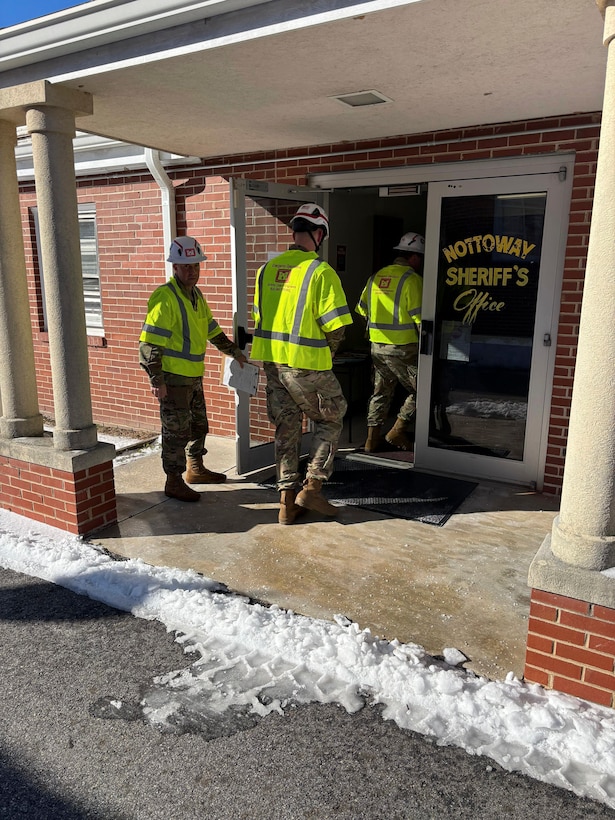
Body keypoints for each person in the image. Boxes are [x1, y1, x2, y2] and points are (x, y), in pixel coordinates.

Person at [251, 203, 353, 525]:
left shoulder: (266, 270)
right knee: (332, 418)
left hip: (274, 367)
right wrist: (327, 356)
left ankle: (285, 503)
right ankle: (312, 488)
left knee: (287, 428)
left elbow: (261, 319)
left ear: (295, 231)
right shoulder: (321, 272)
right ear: (319, 234)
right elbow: (336, 328)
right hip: (308, 367)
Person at [140, 235, 247, 502]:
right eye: (186, 266)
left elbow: (211, 330)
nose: (192, 271)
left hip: (192, 377)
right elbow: (149, 344)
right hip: (173, 380)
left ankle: (195, 469)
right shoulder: (165, 298)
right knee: (175, 433)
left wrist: (234, 352)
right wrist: (157, 379)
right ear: (174, 267)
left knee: (198, 426)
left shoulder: (196, 295)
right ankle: (173, 481)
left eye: (196, 266)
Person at [355, 231, 424, 453]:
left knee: (380, 392)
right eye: (420, 258)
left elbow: (361, 309)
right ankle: (397, 431)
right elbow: (421, 319)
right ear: (414, 257)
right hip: (404, 349)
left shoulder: (375, 277)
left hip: (377, 347)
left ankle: (371, 441)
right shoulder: (412, 280)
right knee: (423, 390)